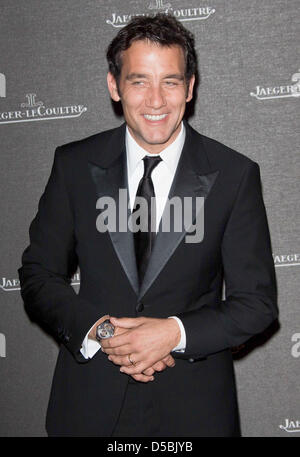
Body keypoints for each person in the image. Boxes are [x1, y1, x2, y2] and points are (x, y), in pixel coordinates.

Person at [18, 13, 278, 437]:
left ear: (190, 87)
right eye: (139, 81)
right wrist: (103, 332)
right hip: (89, 406)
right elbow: (37, 274)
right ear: (114, 86)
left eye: (170, 81)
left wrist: (172, 333)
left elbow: (257, 303)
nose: (155, 100)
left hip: (194, 411)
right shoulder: (74, 166)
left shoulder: (234, 175)